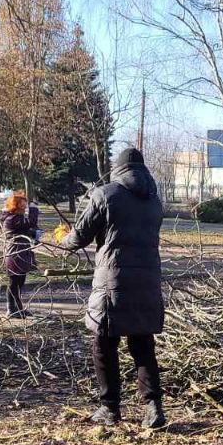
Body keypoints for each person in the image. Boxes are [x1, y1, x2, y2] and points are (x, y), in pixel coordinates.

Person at [60, 148, 167, 429]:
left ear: (117, 169)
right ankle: (153, 407)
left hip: (113, 283)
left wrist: (63, 240)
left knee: (103, 343)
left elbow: (81, 235)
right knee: (142, 344)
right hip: (147, 282)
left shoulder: (105, 194)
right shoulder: (154, 200)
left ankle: (109, 408)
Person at [0, 191, 40, 319]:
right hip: (15, 253)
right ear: (16, 205)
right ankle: (11, 309)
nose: (25, 206)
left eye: (26, 204)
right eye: (23, 204)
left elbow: (28, 230)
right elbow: (30, 223)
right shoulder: (12, 218)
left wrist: (35, 234)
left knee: (20, 282)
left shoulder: (17, 218)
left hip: (22, 252)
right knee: (14, 282)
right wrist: (34, 209)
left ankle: (18, 308)